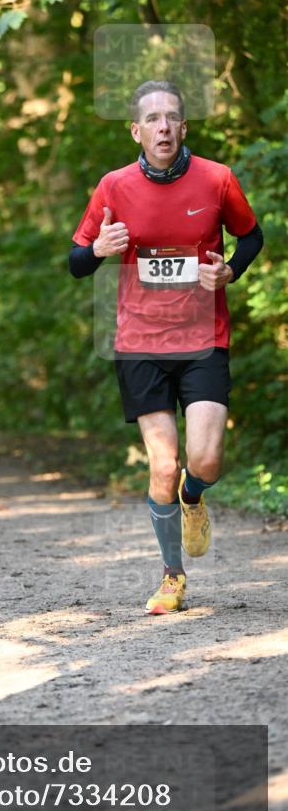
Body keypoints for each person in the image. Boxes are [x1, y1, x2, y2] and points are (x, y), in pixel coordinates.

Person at [70, 80, 263, 615]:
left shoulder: (217, 179)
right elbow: (76, 259)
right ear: (136, 130)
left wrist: (230, 270)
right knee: (162, 463)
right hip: (140, 342)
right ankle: (172, 575)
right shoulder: (113, 187)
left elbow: (251, 237)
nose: (162, 127)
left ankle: (194, 495)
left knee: (205, 460)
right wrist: (98, 251)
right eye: (151, 119)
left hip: (203, 338)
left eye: (171, 118)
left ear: (183, 128)